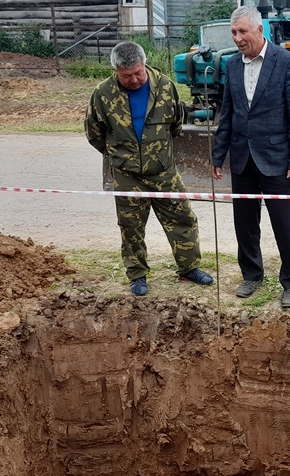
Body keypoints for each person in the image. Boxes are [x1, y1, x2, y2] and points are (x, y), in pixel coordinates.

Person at [84, 41, 213, 295]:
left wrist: (157, 153)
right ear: (116, 72)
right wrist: (119, 156)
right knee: (131, 227)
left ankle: (189, 268)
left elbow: (177, 124)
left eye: (138, 73)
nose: (133, 80)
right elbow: (94, 132)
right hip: (127, 175)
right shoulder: (103, 94)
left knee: (182, 217)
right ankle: (138, 275)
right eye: (126, 76)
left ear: (144, 65)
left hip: (163, 171)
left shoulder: (165, 86)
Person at [211, 5, 290, 309]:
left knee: (285, 226)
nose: (238, 38)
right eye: (233, 33)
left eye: (242, 31)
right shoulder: (231, 65)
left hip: (277, 160)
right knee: (244, 223)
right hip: (242, 158)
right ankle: (252, 274)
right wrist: (219, 154)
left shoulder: (285, 62)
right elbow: (227, 112)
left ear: (259, 30)